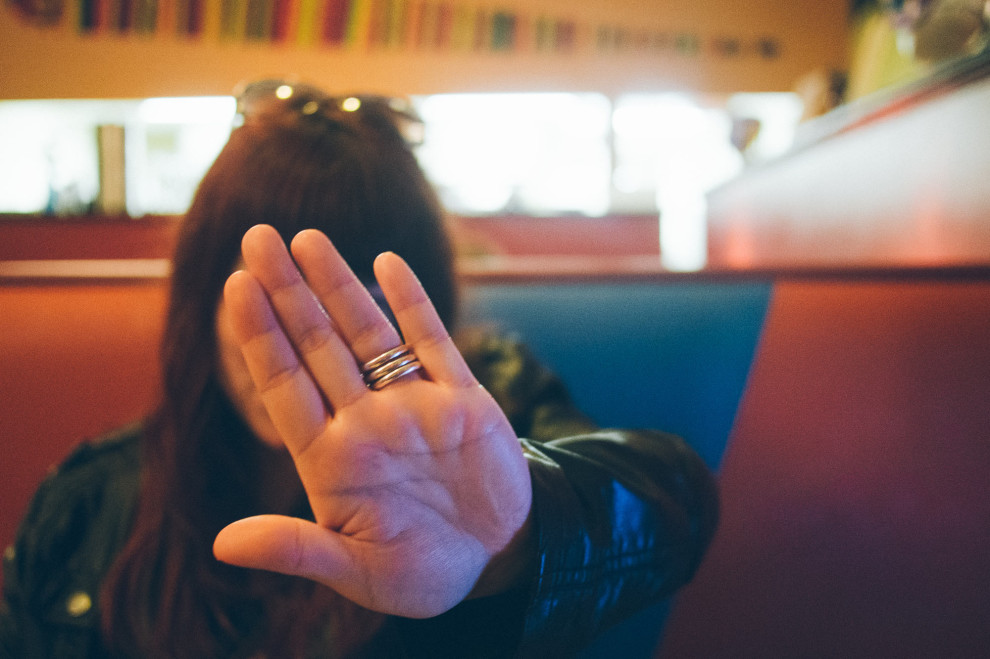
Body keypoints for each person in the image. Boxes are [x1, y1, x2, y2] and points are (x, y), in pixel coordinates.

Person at [0, 80, 718, 658]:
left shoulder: (494, 411)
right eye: (272, 303)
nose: (313, 349)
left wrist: (515, 544)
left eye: (351, 308)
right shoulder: (88, 503)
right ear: (199, 303)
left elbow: (677, 499)